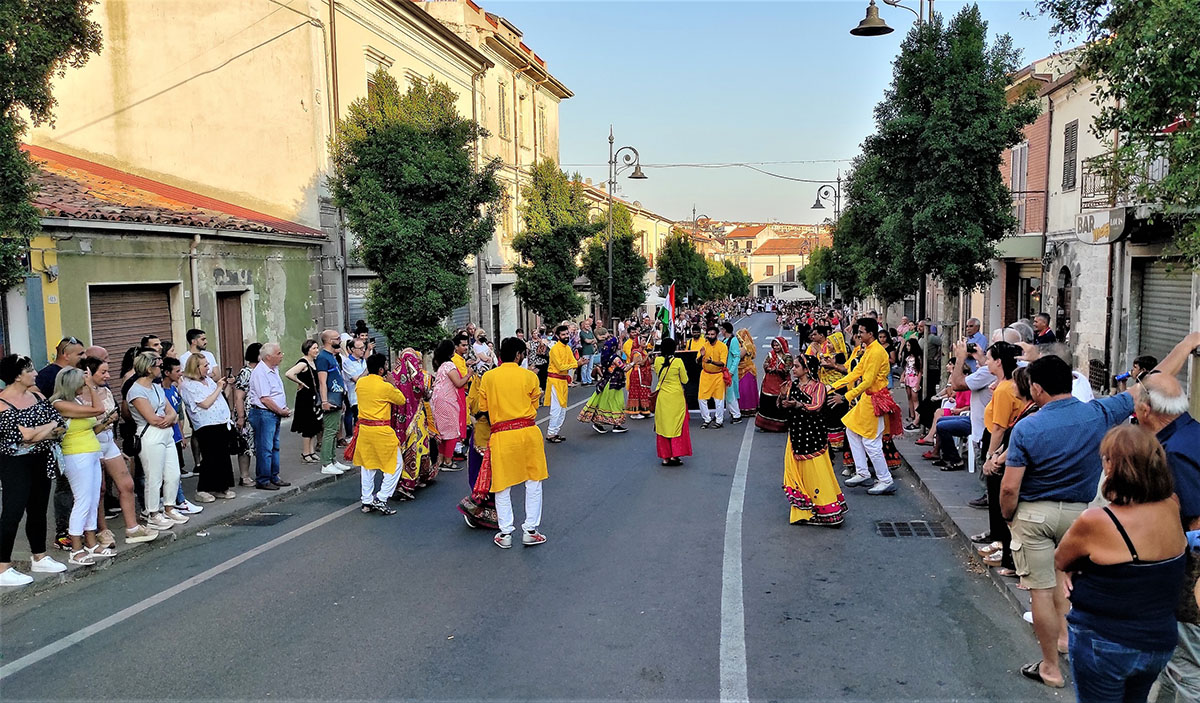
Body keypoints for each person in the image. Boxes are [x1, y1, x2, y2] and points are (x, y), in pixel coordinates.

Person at [1000, 354, 1143, 689]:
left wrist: (1009, 516)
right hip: (1079, 515)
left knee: (1041, 589)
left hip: (1035, 513)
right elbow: (1139, 391)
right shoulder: (1098, 413)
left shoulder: (1027, 427)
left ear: (1036, 389)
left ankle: (1050, 666)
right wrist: (1184, 346)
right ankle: (1065, 639)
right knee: (1067, 581)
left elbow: (1010, 486)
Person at [1055, 426, 1187, 699]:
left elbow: (1061, 558)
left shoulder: (1097, 521)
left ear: (1112, 466)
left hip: (1106, 640)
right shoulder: (1172, 506)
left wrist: (1077, 567)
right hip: (1158, 641)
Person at [0, 355, 68, 586]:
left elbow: (59, 424)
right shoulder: (1, 403)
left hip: (41, 458)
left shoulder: (38, 396)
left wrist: (37, 432)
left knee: (38, 509)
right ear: (17, 376)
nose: (36, 373)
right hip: (14, 463)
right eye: (30, 369)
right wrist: (43, 430)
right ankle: (2, 567)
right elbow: (23, 436)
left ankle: (39, 556)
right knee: (13, 511)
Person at [478, 337, 548, 549]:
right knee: (534, 482)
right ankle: (531, 530)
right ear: (518, 355)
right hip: (528, 432)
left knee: (502, 484)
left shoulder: (488, 378)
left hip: (501, 435)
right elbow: (535, 401)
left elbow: (483, 407)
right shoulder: (529, 376)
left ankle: (505, 532)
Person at [81, 357, 156, 544]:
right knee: (100, 489)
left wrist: (115, 442)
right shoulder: (81, 395)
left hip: (108, 442)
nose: (108, 376)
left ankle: (132, 527)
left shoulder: (105, 390)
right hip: (92, 443)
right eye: (103, 372)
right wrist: (106, 420)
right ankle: (101, 529)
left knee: (126, 484)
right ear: (89, 373)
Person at [49, 368, 114, 565]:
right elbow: (98, 409)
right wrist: (91, 386)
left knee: (93, 499)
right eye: (81, 383)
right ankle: (76, 547)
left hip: (91, 452)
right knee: (82, 500)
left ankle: (91, 542)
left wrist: (105, 424)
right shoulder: (59, 404)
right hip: (76, 455)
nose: (84, 386)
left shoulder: (76, 401)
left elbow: (92, 425)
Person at [830, 318, 901, 495]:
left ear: (870, 333)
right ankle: (862, 472)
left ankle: (885, 480)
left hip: (876, 401)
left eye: (861, 332)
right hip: (867, 400)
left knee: (871, 442)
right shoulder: (869, 350)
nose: (858, 335)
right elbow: (856, 373)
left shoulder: (877, 352)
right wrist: (831, 387)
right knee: (852, 431)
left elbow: (868, 380)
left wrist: (846, 397)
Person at [780, 355, 846, 526]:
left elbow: (816, 406)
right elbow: (781, 407)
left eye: (796, 366)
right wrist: (781, 397)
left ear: (807, 369)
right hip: (796, 436)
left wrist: (797, 405)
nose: (793, 369)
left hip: (813, 437)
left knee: (817, 472)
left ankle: (826, 510)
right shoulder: (792, 386)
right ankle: (806, 511)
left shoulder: (819, 387)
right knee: (799, 473)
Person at [127, 352, 186, 531]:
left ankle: (169, 507)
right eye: (158, 366)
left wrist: (169, 418)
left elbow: (172, 412)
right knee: (154, 475)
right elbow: (152, 419)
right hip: (150, 434)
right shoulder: (136, 391)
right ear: (148, 368)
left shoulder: (157, 388)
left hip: (166, 433)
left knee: (173, 473)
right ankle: (152, 512)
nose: (161, 368)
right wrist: (167, 418)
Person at [352, 353, 407, 515]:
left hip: (365, 431)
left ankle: (366, 501)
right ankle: (382, 498)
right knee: (396, 465)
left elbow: (362, 379)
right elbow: (401, 400)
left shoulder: (361, 383)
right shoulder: (385, 387)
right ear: (382, 370)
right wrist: (393, 384)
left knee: (368, 466)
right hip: (382, 431)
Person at [180, 354, 236, 502]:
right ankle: (202, 488)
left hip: (221, 422)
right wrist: (218, 387)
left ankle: (221, 487)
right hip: (206, 425)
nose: (208, 368)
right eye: (204, 365)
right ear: (195, 368)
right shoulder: (188, 385)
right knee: (210, 457)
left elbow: (220, 397)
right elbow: (205, 403)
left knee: (222, 456)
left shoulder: (208, 380)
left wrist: (226, 386)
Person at [247, 343, 291, 490]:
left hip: (272, 413)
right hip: (264, 413)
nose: (281, 355)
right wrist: (280, 410)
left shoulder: (274, 369)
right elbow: (265, 398)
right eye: (278, 353)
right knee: (265, 448)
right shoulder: (260, 372)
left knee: (274, 446)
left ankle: (274, 476)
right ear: (268, 357)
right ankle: (263, 479)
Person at [393, 348, 434, 500]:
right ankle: (409, 482)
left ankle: (400, 481)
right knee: (417, 447)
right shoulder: (420, 376)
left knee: (403, 448)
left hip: (399, 419)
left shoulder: (395, 374)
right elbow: (424, 391)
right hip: (415, 416)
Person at [578, 329, 629, 435]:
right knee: (615, 402)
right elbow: (625, 368)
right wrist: (634, 362)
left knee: (604, 403)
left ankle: (600, 423)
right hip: (613, 383)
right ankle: (616, 424)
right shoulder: (615, 358)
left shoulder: (605, 356)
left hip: (606, 382)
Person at [432, 339, 471, 471]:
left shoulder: (442, 365)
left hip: (439, 401)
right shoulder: (449, 365)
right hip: (447, 401)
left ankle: (441, 459)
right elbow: (458, 383)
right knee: (451, 431)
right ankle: (448, 461)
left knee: (443, 433)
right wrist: (469, 375)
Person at [315, 330, 350, 475]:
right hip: (330, 398)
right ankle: (326, 463)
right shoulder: (323, 358)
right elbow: (322, 382)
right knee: (329, 431)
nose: (339, 340)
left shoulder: (331, 356)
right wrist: (324, 401)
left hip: (337, 397)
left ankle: (333, 460)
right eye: (336, 338)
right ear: (329, 341)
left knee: (335, 429)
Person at [652, 337, 691, 466]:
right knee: (677, 425)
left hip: (663, 396)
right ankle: (675, 455)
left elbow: (658, 374)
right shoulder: (678, 361)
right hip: (676, 397)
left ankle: (665, 457)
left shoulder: (657, 361)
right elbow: (685, 380)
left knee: (663, 426)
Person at [284, 340, 324, 467]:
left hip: (313, 397)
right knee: (308, 426)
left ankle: (311, 452)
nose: (316, 350)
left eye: (317, 348)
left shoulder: (313, 362)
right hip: (305, 398)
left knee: (314, 425)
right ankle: (306, 453)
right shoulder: (303, 363)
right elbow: (289, 373)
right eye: (314, 348)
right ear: (307, 350)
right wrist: (300, 382)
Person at [805, 326, 846, 446]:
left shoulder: (839, 356)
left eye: (830, 343)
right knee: (828, 412)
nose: (828, 345)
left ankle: (837, 442)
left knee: (834, 413)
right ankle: (831, 439)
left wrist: (818, 352)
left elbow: (823, 363)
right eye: (828, 343)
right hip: (828, 385)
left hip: (836, 386)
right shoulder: (832, 355)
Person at [232, 343, 262, 488]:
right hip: (247, 414)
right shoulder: (246, 372)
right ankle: (244, 476)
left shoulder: (262, 370)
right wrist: (241, 417)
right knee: (245, 446)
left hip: (260, 413)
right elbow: (239, 397)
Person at [545, 324, 579, 442]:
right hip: (555, 381)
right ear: (557, 336)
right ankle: (550, 433)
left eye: (567, 334)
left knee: (563, 408)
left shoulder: (567, 348)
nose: (566, 336)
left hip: (563, 381)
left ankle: (555, 432)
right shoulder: (555, 349)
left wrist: (575, 364)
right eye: (563, 334)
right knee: (556, 408)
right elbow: (560, 366)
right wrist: (576, 364)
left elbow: (573, 362)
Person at [756, 337, 793, 433]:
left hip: (781, 383)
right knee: (767, 403)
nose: (776, 347)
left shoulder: (787, 357)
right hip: (769, 383)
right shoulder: (770, 355)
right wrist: (768, 368)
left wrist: (777, 370)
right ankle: (765, 425)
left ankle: (780, 426)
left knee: (780, 403)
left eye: (777, 345)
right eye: (774, 345)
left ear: (782, 345)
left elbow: (787, 368)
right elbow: (765, 364)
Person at [697, 326, 729, 430]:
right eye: (709, 334)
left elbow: (722, 363)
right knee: (701, 398)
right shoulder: (704, 346)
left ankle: (719, 421)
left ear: (717, 335)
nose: (710, 336)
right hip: (705, 375)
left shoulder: (722, 347)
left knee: (718, 400)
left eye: (712, 334)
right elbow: (697, 361)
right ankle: (707, 419)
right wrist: (701, 356)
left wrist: (711, 362)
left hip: (718, 376)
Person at [341, 338, 368, 442]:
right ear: (352, 349)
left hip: (366, 396)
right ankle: (351, 436)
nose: (363, 350)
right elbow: (357, 379)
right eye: (360, 348)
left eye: (363, 347)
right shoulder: (347, 363)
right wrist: (367, 370)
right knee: (355, 418)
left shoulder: (363, 361)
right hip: (355, 397)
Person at [624, 330, 653, 420]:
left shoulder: (643, 351)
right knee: (637, 392)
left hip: (643, 373)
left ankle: (645, 410)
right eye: (643, 341)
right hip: (637, 373)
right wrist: (648, 355)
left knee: (644, 391)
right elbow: (640, 362)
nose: (645, 342)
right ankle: (635, 412)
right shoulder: (636, 352)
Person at [720, 323, 744, 425]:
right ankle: (733, 413)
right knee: (727, 394)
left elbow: (736, 356)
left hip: (729, 372)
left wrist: (731, 371)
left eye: (722, 329)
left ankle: (736, 415)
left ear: (725, 330)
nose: (721, 331)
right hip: (724, 371)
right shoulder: (725, 341)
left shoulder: (733, 341)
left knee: (731, 394)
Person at [900, 338, 923, 429]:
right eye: (907, 346)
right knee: (909, 397)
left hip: (914, 377)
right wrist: (903, 375)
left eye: (909, 345)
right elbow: (906, 367)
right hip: (907, 377)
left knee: (915, 398)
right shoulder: (908, 357)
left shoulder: (918, 357)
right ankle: (912, 415)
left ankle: (917, 418)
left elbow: (920, 371)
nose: (907, 347)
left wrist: (918, 383)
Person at [735, 329, 758, 416]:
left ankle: (747, 409)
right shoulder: (745, 344)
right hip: (742, 368)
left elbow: (739, 355)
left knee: (745, 390)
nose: (737, 338)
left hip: (746, 369)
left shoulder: (747, 345)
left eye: (738, 336)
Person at [579, 318, 597, 386]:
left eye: (588, 324)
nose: (587, 326)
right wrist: (592, 340)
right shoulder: (582, 333)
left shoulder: (590, 332)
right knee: (584, 367)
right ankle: (584, 381)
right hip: (585, 352)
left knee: (590, 367)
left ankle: (589, 380)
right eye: (586, 324)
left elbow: (595, 340)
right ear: (583, 325)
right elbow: (587, 341)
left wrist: (591, 340)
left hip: (591, 351)